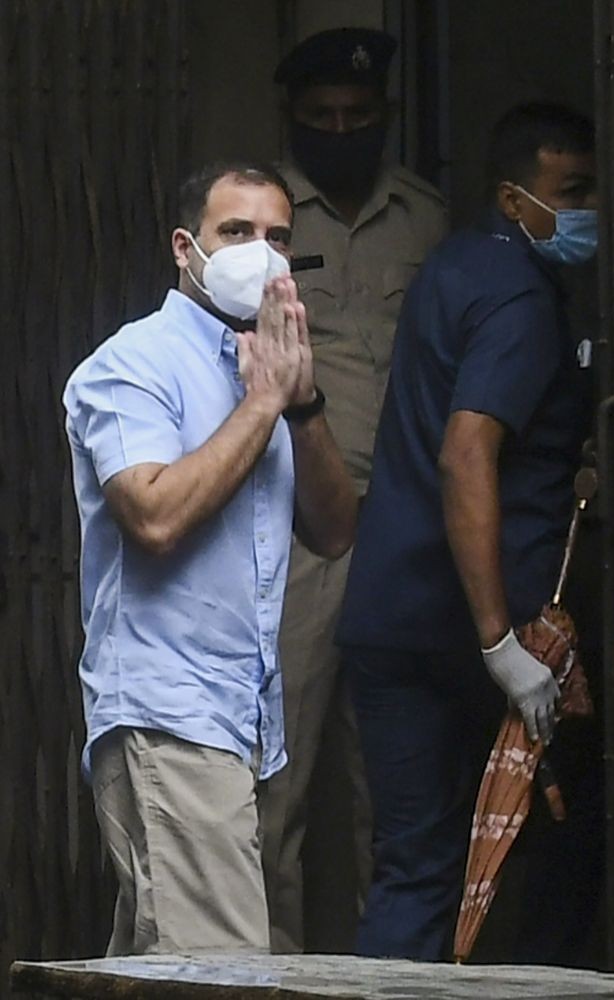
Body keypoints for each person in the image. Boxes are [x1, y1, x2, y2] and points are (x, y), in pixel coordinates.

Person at [63, 163, 358, 955]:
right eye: (237, 233)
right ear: (186, 248)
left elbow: (333, 530)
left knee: (168, 968)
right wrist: (262, 404)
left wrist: (301, 403)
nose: (260, 254)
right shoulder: (132, 364)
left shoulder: (271, 361)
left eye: (278, 238)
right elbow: (153, 516)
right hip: (166, 714)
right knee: (227, 970)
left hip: (244, 723)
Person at [337, 101, 601, 962]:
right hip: (467, 639)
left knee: (416, 867)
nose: (585, 209)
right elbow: (466, 453)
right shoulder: (521, 295)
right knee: (534, 867)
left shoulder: (452, 264)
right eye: (572, 190)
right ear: (514, 197)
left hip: (389, 618)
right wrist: (499, 643)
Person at [259, 27, 447, 954]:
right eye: (321, 118)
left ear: (387, 118)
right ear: (293, 120)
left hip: (404, 531)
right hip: (296, 533)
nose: (342, 130)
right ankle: (275, 970)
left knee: (393, 784)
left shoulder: (427, 217)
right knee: (280, 782)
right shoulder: (263, 225)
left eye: (359, 117)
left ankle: (392, 969)